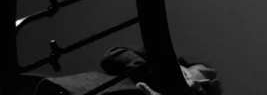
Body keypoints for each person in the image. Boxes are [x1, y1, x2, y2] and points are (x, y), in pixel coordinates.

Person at [17, 47, 220, 94]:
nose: (201, 80)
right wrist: (159, 73)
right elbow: (113, 56)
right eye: (198, 73)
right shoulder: (146, 64)